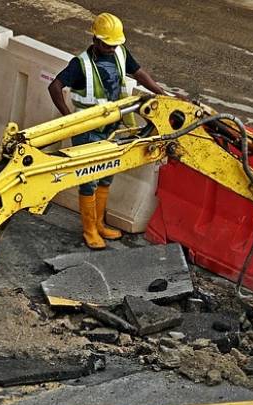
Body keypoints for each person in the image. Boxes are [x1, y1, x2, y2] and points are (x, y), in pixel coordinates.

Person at [47, 12, 180, 250]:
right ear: (96, 40)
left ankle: (100, 224)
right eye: (107, 45)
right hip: (88, 130)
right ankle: (89, 230)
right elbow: (54, 86)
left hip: (112, 128)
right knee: (89, 180)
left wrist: (162, 94)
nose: (112, 49)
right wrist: (68, 119)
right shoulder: (81, 64)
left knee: (106, 175)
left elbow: (139, 73)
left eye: (115, 44)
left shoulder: (120, 52)